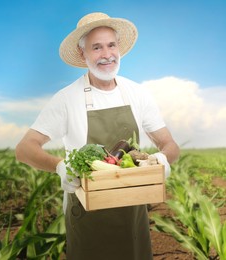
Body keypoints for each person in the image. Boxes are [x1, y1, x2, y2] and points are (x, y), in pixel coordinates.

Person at [15, 12, 180, 260]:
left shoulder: (137, 93)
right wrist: (60, 166)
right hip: (87, 216)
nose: (106, 54)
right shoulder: (67, 98)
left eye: (111, 45)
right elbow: (25, 148)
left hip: (133, 213)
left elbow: (169, 144)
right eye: (97, 47)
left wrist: (164, 159)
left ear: (119, 48)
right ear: (83, 54)